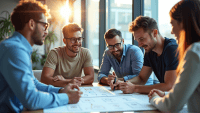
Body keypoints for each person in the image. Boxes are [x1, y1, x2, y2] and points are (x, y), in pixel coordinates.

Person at [0, 1, 82, 112]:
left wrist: (60, 91)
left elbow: (33, 83)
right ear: (32, 24)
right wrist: (67, 98)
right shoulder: (15, 50)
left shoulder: (18, 47)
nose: (46, 31)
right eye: (44, 25)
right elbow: (31, 99)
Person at [148, 0, 200, 112]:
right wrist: (167, 95)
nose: (172, 31)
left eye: (172, 24)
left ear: (183, 23)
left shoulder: (195, 52)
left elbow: (171, 106)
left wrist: (154, 99)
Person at [119, 16, 178, 94]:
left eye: (142, 39)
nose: (139, 45)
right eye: (137, 41)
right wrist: (124, 84)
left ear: (154, 33)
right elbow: (141, 78)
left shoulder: (171, 49)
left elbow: (169, 86)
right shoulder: (150, 50)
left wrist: (135, 88)